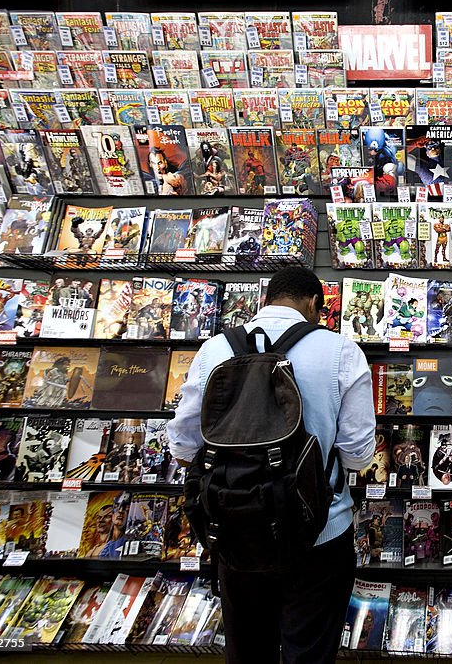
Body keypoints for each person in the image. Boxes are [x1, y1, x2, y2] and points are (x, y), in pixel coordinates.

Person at [166, 266, 376, 664]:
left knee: (248, 650)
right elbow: (358, 454)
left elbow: (183, 444)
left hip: (233, 525)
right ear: (314, 303)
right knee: (309, 649)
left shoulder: (215, 349)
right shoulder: (342, 351)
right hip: (319, 530)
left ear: (266, 298)